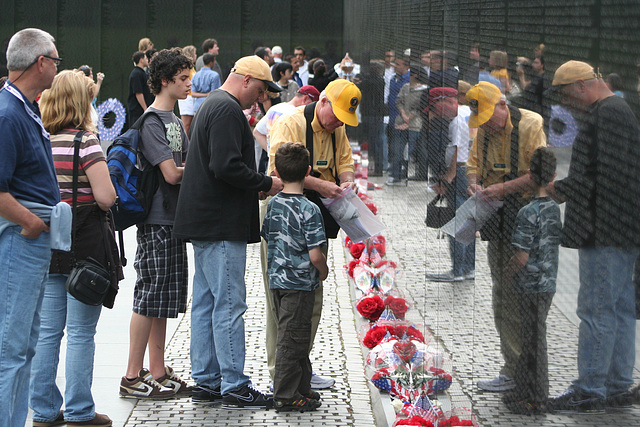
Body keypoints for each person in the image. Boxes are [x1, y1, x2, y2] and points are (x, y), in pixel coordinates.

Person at [173, 56, 283, 409]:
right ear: (247, 80)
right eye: (262, 90)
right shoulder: (226, 110)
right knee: (229, 305)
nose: (261, 99)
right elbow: (226, 166)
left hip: (206, 221)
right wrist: (266, 182)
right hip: (220, 224)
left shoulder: (212, 105)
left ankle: (206, 381)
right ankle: (234, 383)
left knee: (206, 304)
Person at [546, 60, 640, 414]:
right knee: (619, 309)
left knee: (596, 310)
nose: (568, 104)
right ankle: (616, 386)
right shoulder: (619, 110)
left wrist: (562, 188)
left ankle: (590, 388)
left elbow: (608, 174)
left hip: (606, 227)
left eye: (568, 95)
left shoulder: (607, 114)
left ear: (583, 85)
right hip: (622, 226)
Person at [29, 70, 121, 427]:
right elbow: (106, 197)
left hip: (49, 243)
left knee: (49, 332)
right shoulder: (87, 142)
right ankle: (81, 411)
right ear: (82, 102)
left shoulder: (41, 139)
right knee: (82, 332)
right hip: (86, 246)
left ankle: (44, 410)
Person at [266, 79, 360, 390]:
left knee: (311, 299)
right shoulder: (291, 123)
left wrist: (346, 182)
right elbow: (277, 172)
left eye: (345, 121)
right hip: (286, 219)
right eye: (336, 117)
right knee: (279, 298)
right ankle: (281, 371)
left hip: (317, 216)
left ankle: (299, 365)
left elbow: (344, 161)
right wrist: (322, 185)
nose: (338, 125)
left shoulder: (339, 125)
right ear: (322, 103)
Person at [0, 27, 71, 426]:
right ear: (40, 62)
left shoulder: (23, 107)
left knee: (24, 343)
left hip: (29, 238)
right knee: (12, 346)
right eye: (56, 60)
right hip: (19, 239)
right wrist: (31, 222)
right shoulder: (9, 113)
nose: (58, 67)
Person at [119, 48, 193, 400]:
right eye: (182, 79)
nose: (189, 84)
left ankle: (157, 369)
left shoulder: (176, 120)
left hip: (173, 219)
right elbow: (171, 173)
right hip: (156, 220)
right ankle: (132, 374)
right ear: (164, 81)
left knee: (162, 300)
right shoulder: (152, 121)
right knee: (148, 296)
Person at [465, 81, 546, 392]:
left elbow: (541, 175)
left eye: (489, 117)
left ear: (503, 105)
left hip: (525, 218)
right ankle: (511, 367)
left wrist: (502, 188)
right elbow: (472, 166)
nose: (486, 125)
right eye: (480, 120)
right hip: (496, 217)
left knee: (519, 294)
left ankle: (521, 370)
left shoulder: (530, 124)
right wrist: (474, 184)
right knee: (502, 289)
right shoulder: (485, 129)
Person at [261, 142, 327, 413]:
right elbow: (315, 255)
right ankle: (286, 395)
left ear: (276, 171)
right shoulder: (309, 209)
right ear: (308, 171)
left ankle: (301, 385)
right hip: (299, 285)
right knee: (293, 338)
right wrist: (323, 271)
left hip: (277, 281)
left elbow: (267, 235)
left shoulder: (272, 204)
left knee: (295, 335)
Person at [502, 147, 561, 415]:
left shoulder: (527, 212)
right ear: (554, 177)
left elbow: (522, 257)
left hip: (529, 286)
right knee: (532, 338)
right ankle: (524, 390)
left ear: (529, 175)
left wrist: (506, 273)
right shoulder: (553, 209)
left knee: (534, 341)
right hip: (548, 284)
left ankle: (537, 398)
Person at [426, 87, 475, 282]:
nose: (435, 113)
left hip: (459, 173)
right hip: (461, 172)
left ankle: (458, 270)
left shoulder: (456, 122)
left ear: (445, 102)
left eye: (436, 107)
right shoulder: (459, 117)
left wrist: (449, 176)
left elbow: (457, 149)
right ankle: (467, 267)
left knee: (457, 221)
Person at [253, 85, 320, 171]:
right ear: (305, 99)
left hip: (272, 167)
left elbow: (257, 132)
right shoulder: (296, 115)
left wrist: (271, 151)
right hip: (290, 169)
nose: (313, 110)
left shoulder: (275, 108)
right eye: (313, 105)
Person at [385, 55, 410, 185]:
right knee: (396, 147)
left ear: (406, 67)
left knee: (399, 148)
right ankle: (397, 171)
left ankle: (397, 175)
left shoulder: (408, 81)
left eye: (398, 64)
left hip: (404, 121)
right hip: (392, 118)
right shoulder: (393, 79)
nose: (395, 66)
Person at [127, 51, 154, 126]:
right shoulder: (136, 74)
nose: (147, 60)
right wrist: (145, 108)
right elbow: (138, 93)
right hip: (137, 111)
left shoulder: (142, 73)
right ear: (141, 60)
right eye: (145, 58)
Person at [177, 45, 197, 136]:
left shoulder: (192, 68)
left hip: (192, 97)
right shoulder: (184, 69)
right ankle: (184, 145)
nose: (196, 56)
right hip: (187, 98)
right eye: (194, 54)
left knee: (191, 124)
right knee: (186, 124)